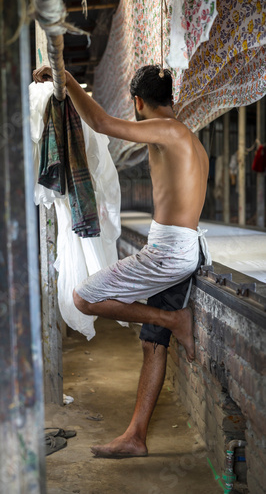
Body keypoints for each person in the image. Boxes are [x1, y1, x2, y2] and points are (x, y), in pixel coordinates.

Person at [33, 65, 210, 459]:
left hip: (167, 254)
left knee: (83, 297)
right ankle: (135, 436)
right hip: (182, 248)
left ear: (138, 102)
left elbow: (99, 121)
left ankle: (173, 320)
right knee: (152, 345)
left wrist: (64, 78)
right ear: (171, 99)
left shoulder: (169, 130)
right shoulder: (190, 140)